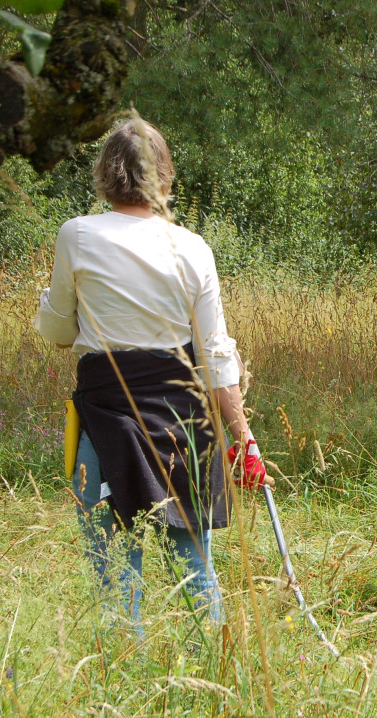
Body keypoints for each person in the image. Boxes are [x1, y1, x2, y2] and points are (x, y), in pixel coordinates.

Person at [34, 117, 271, 631]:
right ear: (163, 174)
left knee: (114, 570)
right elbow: (215, 354)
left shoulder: (76, 235)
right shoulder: (193, 247)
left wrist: (56, 312)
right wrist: (243, 438)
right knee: (195, 566)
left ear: (106, 171)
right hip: (182, 424)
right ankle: (218, 679)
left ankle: (121, 690)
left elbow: (56, 332)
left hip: (107, 418)